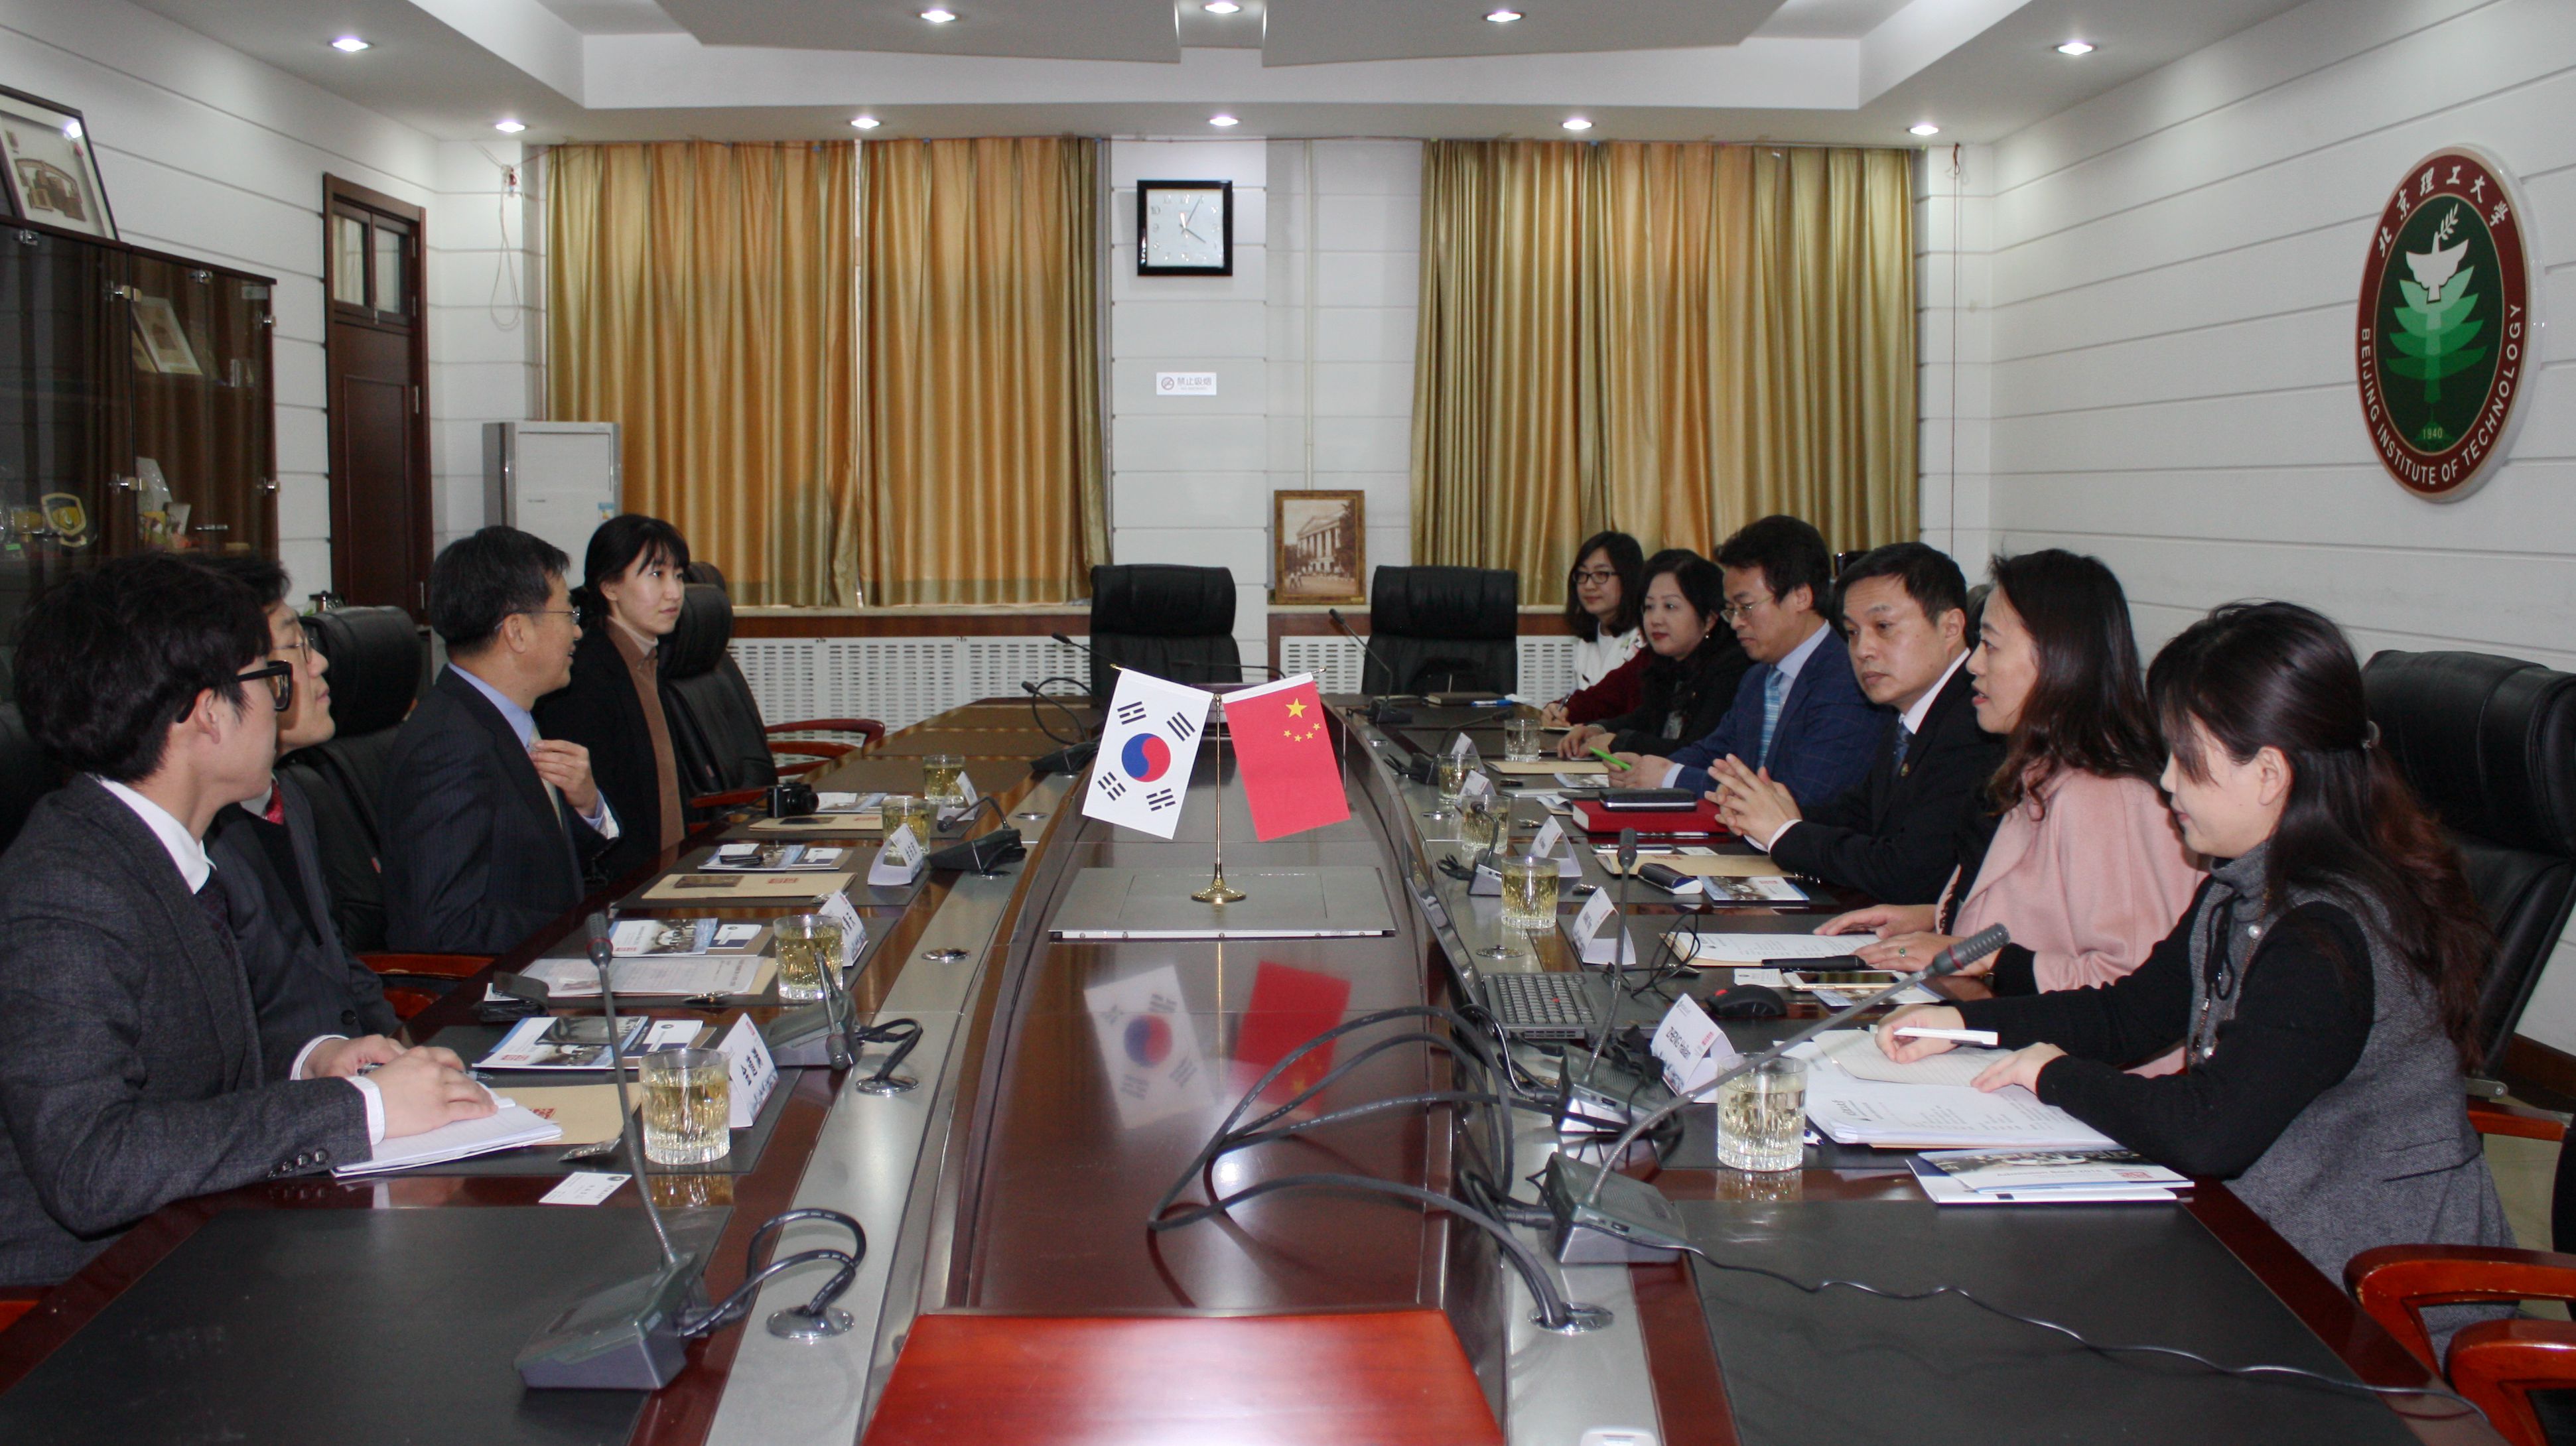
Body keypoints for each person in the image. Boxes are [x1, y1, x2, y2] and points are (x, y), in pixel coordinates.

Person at [1877, 602, 2510, 1325]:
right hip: (2269, 1234)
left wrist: (2051, 1073)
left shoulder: (2326, 934)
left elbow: (2208, 1131)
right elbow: (2128, 1015)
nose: (2167, 783)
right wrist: (1964, 1024)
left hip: (2369, 1296)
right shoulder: (2241, 884)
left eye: (2186, 758)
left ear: (2268, 773)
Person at [0, 557, 493, 1285]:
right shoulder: (67, 889)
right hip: (86, 1299)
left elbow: (181, 1070)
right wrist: (355, 1110)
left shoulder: (159, 850)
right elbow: (91, 1165)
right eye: (270, 679)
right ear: (207, 711)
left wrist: (311, 1061)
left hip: (198, 1242)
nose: (279, 702)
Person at [1819, 550, 2201, 998]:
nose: (1973, 664)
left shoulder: (2109, 796)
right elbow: (2041, 920)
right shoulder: (2038, 767)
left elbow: (2132, 985)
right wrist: (1934, 919)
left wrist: (1982, 958)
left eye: (1990, 645)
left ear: (2054, 655)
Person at [192, 557, 403, 1068]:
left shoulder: (292, 794)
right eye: (298, 646)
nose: (320, 663)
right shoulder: (197, 830)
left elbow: (336, 960)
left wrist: (403, 1047)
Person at [1713, 543, 2003, 903]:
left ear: (1950, 627)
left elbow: (1907, 872)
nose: (1863, 649)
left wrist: (1785, 833)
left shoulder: (1975, 724)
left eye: (1884, 627)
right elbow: (1861, 815)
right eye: (1852, 632)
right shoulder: (1910, 714)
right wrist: (1767, 811)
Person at [381, 527, 620, 956]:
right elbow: (442, 925)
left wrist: (586, 807)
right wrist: (574, 932)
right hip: (501, 986)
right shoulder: (449, 745)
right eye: (569, 615)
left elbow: (535, 864)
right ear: (517, 631)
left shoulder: (507, 717)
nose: (578, 633)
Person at [1613, 515, 1877, 808]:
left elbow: (1796, 798)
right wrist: (1647, 770)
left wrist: (1671, 776)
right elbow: (1714, 752)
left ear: (1800, 597)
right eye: (1731, 609)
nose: (1737, 622)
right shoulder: (1757, 677)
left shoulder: (1847, 679)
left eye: (1746, 607)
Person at [534, 515, 693, 885]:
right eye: (657, 575)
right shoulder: (583, 676)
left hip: (669, 871)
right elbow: (597, 814)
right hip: (624, 884)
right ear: (609, 587)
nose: (674, 592)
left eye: (679, 576)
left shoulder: (649, 660)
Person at [1557, 553, 1749, 762]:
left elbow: (1697, 751)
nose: (1655, 619)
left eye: (1670, 606)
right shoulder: (1668, 660)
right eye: (1649, 607)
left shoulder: (1732, 667)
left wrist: (1619, 742)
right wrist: (1598, 729)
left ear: (1709, 619)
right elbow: (1649, 717)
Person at [1542, 531, 1645, 722]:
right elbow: (1583, 701)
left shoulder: (1643, 640)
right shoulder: (1587, 639)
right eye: (1582, 575)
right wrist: (1557, 710)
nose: (1589, 585)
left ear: (1628, 578)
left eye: (1601, 574)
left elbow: (1624, 712)